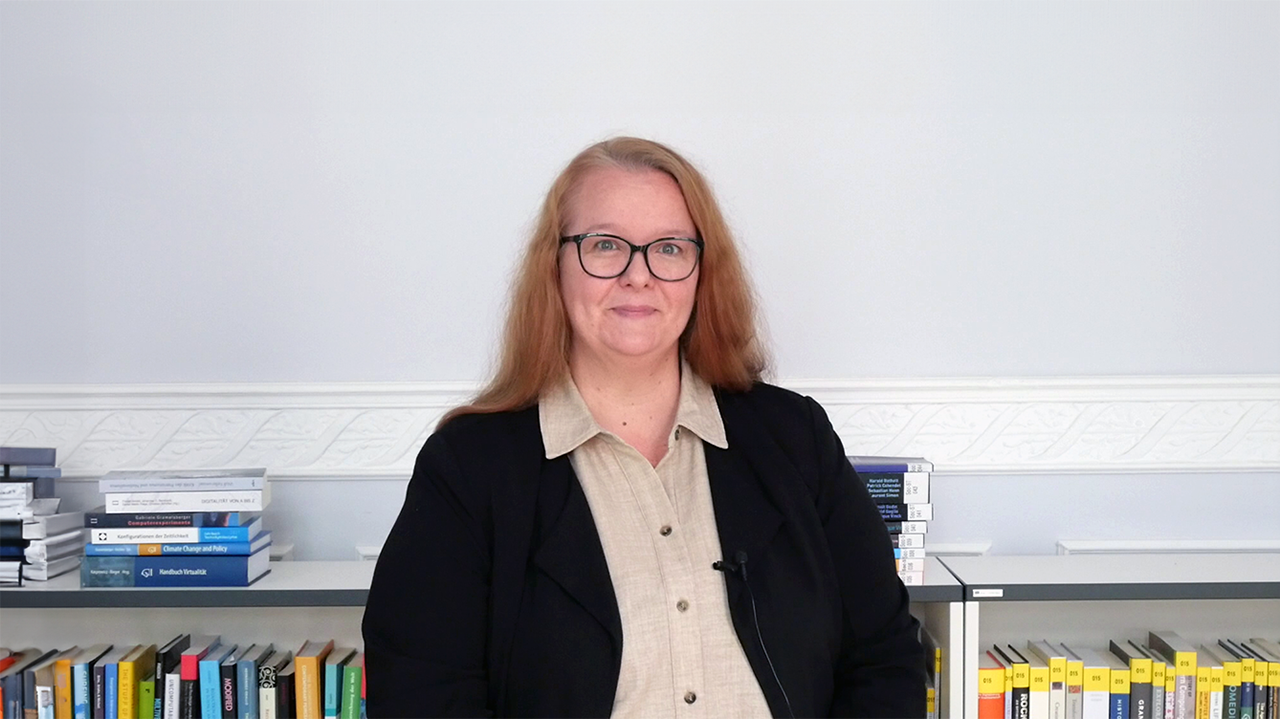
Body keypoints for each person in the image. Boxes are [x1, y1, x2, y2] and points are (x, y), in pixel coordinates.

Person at [362, 137, 925, 718]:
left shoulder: (795, 438)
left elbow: (884, 661)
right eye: (604, 245)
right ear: (554, 266)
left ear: (702, 271)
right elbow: (419, 696)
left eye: (669, 248)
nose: (639, 275)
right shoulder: (468, 468)